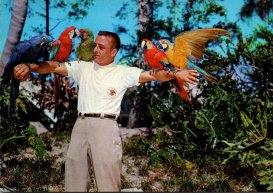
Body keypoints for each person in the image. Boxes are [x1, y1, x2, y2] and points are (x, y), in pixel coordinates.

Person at [14, 30, 199, 192]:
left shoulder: (124, 72)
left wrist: (175, 74)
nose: (95, 50)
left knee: (108, 183)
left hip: (106, 128)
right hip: (80, 127)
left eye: (101, 48)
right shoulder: (82, 67)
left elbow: (153, 74)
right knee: (74, 182)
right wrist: (29, 66)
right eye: (95, 46)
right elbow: (53, 66)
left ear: (113, 52)